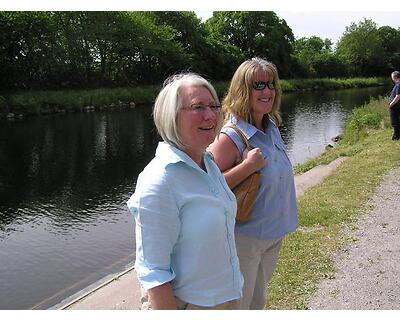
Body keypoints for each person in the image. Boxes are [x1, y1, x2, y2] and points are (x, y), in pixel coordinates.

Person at [127, 73, 243, 310]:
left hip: (226, 297)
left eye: (213, 105)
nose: (210, 115)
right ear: (171, 116)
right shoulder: (159, 181)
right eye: (198, 107)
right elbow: (153, 273)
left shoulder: (207, 162)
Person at [208, 57, 298, 310]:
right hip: (244, 240)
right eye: (258, 85)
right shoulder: (230, 137)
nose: (267, 91)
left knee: (257, 302)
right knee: (238, 306)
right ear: (241, 90)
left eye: (271, 85)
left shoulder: (271, 128)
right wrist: (247, 166)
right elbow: (206, 187)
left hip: (272, 234)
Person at [388, 71, 400, 141]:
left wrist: (391, 104)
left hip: (394, 107)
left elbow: (398, 96)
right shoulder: (398, 84)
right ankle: (397, 135)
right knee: (397, 121)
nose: (392, 78)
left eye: (392, 77)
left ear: (395, 77)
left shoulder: (398, 85)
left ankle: (396, 137)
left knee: (394, 122)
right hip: (396, 106)